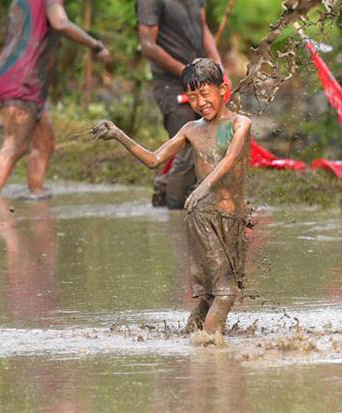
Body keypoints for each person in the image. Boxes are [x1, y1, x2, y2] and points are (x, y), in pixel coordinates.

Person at [93, 59, 251, 335]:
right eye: (192, 97)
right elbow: (155, 159)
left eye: (205, 94)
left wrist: (205, 184)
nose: (200, 102)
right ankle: (211, 355)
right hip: (203, 217)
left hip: (234, 220)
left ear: (223, 89)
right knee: (225, 294)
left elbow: (231, 157)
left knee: (213, 295)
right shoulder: (191, 130)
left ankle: (191, 344)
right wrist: (119, 134)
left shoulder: (240, 124)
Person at [0, 0, 111, 198]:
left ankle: (36, 193)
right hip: (21, 80)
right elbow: (60, 22)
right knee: (15, 144)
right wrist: (95, 45)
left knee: (45, 140)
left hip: (22, 79)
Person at [137, 0, 223, 209]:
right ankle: (174, 213)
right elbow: (148, 45)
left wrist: (217, 67)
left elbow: (203, 28)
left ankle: (167, 191)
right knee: (187, 149)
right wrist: (186, 71)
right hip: (172, 85)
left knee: (209, 145)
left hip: (199, 80)